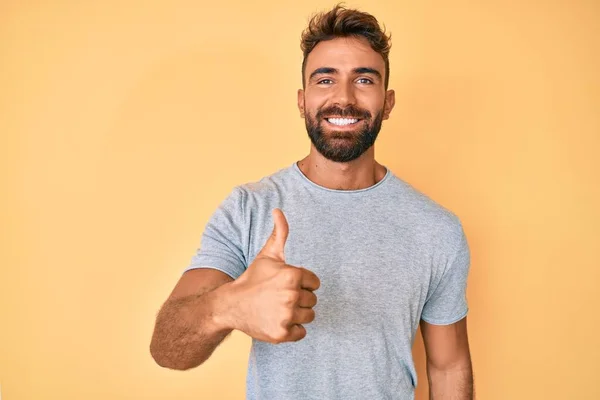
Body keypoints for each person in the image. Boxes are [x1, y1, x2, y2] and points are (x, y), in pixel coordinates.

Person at [150, 4, 474, 399]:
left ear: (387, 103)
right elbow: (166, 348)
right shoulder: (249, 208)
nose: (344, 98)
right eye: (325, 80)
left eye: (364, 79)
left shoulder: (436, 228)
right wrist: (229, 306)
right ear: (302, 101)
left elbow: (448, 366)